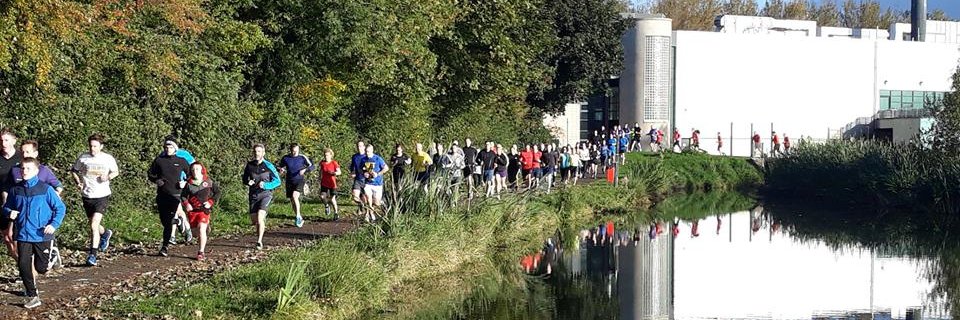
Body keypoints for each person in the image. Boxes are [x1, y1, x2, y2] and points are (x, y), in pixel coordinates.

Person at [4, 158, 66, 309]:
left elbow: (60, 208)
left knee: (41, 268)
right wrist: (9, 212)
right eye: (23, 169)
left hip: (42, 234)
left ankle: (52, 255)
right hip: (23, 234)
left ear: (37, 171)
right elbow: (6, 207)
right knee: (23, 264)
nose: (25, 171)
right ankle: (32, 295)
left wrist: (54, 224)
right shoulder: (15, 190)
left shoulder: (45, 189)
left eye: (28, 169)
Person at [70, 134, 119, 266]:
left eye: (95, 146)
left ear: (101, 147)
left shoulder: (107, 158)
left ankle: (93, 255)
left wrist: (107, 177)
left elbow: (116, 172)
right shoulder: (83, 158)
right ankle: (105, 233)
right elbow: (74, 171)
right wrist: (78, 182)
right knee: (93, 224)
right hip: (87, 195)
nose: (92, 149)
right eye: (91, 146)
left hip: (102, 195)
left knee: (93, 225)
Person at [148, 137, 190, 257]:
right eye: (166, 147)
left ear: (175, 148)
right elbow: (150, 174)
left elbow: (190, 174)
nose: (168, 149)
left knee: (168, 223)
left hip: (175, 194)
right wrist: (156, 180)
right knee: (164, 220)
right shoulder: (159, 160)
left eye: (170, 147)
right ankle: (178, 221)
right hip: (162, 194)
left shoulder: (181, 161)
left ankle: (165, 247)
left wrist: (185, 182)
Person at [242, 143, 281, 250]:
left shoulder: (269, 166)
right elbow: (245, 178)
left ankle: (259, 241)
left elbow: (278, 181)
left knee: (260, 218)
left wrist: (266, 185)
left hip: (266, 194)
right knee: (254, 220)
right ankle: (260, 226)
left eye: (259, 151)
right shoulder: (249, 165)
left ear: (263, 153)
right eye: (255, 151)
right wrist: (248, 182)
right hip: (253, 195)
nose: (257, 153)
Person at [180, 162, 221, 261]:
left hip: (204, 210)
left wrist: (210, 202)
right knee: (195, 233)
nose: (195, 172)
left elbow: (217, 192)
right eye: (193, 170)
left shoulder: (208, 181)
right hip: (193, 211)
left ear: (202, 170)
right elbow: (183, 196)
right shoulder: (189, 184)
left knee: (201, 228)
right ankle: (206, 228)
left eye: (197, 169)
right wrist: (187, 204)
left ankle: (201, 252)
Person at [278, 143, 315, 228]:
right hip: (289, 181)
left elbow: (312, 166)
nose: (295, 153)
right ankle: (298, 217)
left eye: (296, 151)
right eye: (293, 151)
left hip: (299, 180)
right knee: (292, 200)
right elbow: (280, 167)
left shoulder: (302, 157)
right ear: (290, 150)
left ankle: (298, 216)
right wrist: (281, 170)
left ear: (298, 149)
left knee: (295, 197)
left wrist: (305, 170)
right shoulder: (285, 158)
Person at [0, 129, 22, 259]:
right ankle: (20, 262)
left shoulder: (21, 157)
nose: (3, 143)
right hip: (1, 203)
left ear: (14, 141)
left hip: (18, 200)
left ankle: (26, 267)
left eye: (6, 140)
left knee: (14, 235)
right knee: (7, 237)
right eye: (1, 140)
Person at [360, 145, 389, 222]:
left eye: (368, 151)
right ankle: (370, 214)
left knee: (376, 203)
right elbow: (361, 170)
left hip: (377, 183)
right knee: (368, 198)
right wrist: (364, 174)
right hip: (368, 183)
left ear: (372, 151)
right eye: (366, 151)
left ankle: (381, 203)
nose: (367, 153)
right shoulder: (363, 160)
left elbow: (386, 168)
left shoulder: (378, 158)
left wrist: (378, 174)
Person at [319, 148, 341, 220]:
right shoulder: (322, 163)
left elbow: (339, 172)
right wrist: (320, 177)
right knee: (322, 197)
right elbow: (321, 171)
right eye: (325, 155)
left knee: (332, 199)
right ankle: (326, 205)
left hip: (332, 183)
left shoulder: (334, 163)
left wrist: (334, 173)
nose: (326, 157)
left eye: (328, 155)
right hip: (324, 183)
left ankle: (336, 213)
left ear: (331, 155)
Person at [349, 141, 367, 213]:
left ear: (364, 147)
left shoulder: (367, 156)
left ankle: (366, 212)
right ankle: (361, 205)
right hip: (357, 179)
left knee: (364, 197)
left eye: (360, 146)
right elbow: (352, 167)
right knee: (355, 197)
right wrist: (352, 172)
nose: (359, 147)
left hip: (366, 180)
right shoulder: (354, 156)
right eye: (358, 146)